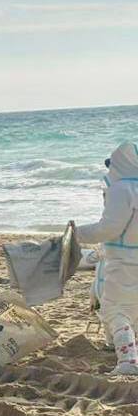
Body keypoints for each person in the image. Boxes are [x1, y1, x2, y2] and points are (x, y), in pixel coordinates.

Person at [73, 144, 138, 375]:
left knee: (115, 309)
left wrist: (76, 233)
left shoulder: (121, 189)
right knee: (133, 308)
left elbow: (109, 228)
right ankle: (126, 349)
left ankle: (128, 363)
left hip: (123, 258)